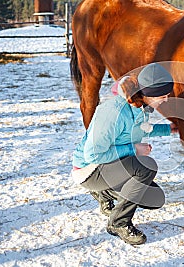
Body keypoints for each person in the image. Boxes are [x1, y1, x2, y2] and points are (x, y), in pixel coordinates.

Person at [72, 63, 177, 245]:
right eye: (163, 96)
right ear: (148, 93)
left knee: (155, 199)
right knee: (146, 167)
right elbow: (92, 155)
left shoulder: (139, 106)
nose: (166, 100)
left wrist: (169, 129)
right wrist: (134, 149)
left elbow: (140, 129)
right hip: (89, 170)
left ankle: (103, 193)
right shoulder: (113, 112)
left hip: (110, 165)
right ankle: (118, 223)